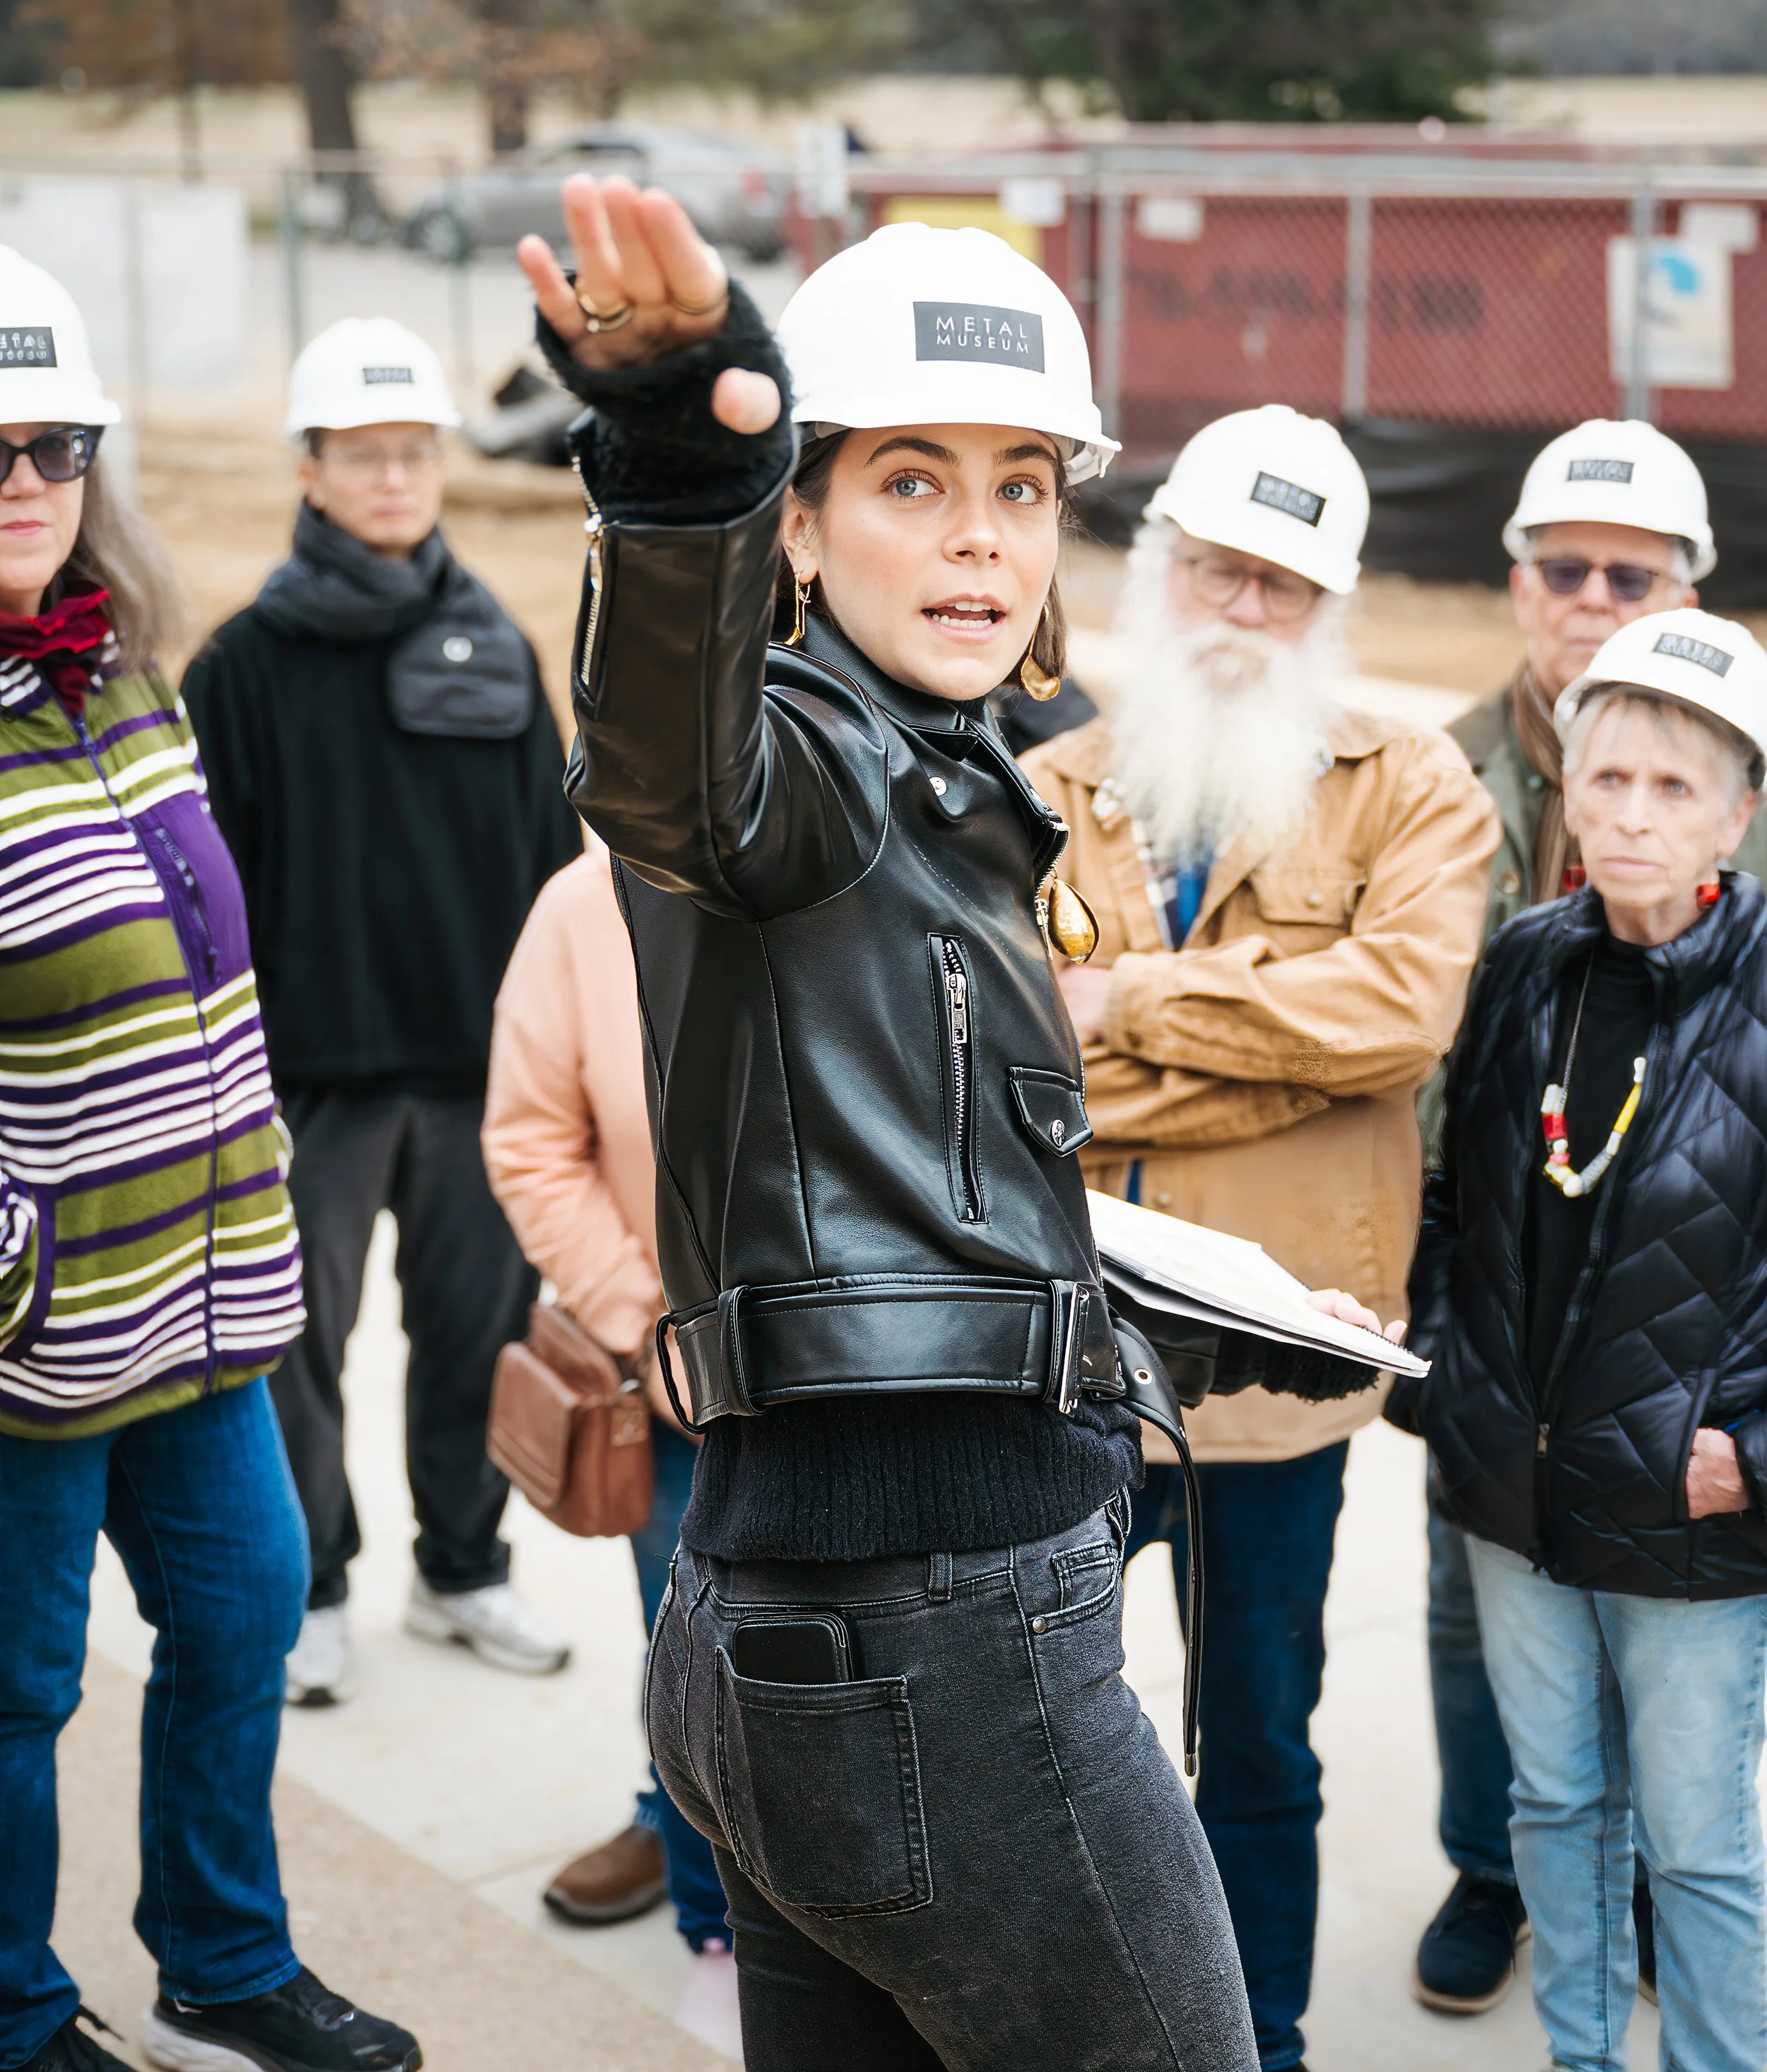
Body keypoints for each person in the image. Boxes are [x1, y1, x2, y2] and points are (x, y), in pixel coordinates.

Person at [517, 189, 1405, 2071]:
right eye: (911, 481)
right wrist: (688, 463)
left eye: (1020, 487)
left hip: (791, 1613)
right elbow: (662, 762)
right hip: (936, 1633)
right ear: (809, 525)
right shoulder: (799, 763)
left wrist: (1102, 1292)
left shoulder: (942, 781)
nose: (982, 539)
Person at [1021, 405, 1498, 2072]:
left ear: (1330, 606)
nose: (1241, 606)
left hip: (1270, 1380)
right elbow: (1005, 1057)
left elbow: (1389, 1019)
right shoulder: (1041, 790)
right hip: (1062, 1366)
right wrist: (1251, 1060)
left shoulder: (1412, 787)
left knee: (1255, 1748)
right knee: (1040, 1743)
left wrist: (1128, 1009)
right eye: (1215, 566)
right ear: (1157, 575)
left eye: (1280, 584)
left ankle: (1257, 2041)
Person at [0, 252, 418, 2072]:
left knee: (243, 1611)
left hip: (202, 1296)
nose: (23, 480)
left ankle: (220, 1968)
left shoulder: (125, 683)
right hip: (30, 1336)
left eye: (55, 443)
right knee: (13, 1699)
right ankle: (14, 2016)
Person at [1411, 417, 1767, 2014]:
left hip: (1685, 1483)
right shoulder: (1516, 941)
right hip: (1508, 1456)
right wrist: (1436, 1364)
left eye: (1668, 785)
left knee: (1694, 1835)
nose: (1628, 810)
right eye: (1603, 775)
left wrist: (1749, 1445)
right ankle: (1552, 2005)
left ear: (1731, 811)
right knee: (1543, 1787)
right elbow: (1459, 1180)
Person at [182, 317, 581, 1706]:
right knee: (298, 1351)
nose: (397, 476)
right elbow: (205, 902)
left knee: (477, 1338)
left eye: (415, 451)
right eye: (365, 454)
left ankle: (462, 1573)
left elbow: (552, 869)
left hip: (478, 1078)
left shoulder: (496, 646)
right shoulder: (240, 670)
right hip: (314, 1084)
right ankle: (317, 1588)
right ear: (310, 470)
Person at [481, 842, 739, 2059]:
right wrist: (649, 1325)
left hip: (872, 1379)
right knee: (697, 1676)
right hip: (686, 1393)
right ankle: (719, 1935)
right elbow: (532, 1139)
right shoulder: (584, 907)